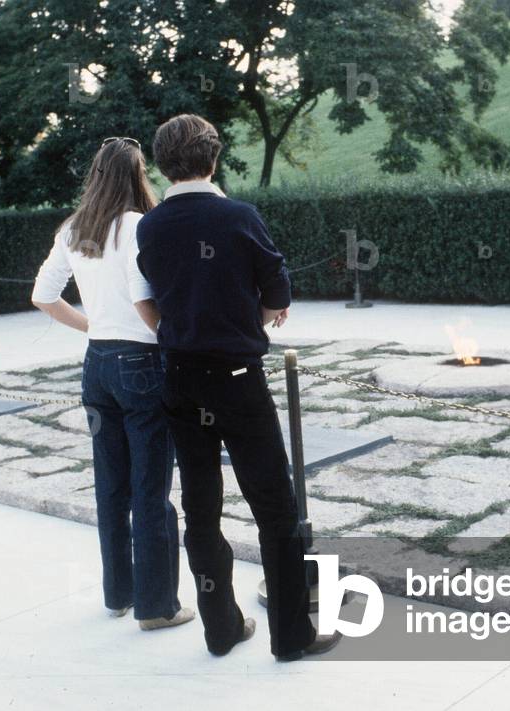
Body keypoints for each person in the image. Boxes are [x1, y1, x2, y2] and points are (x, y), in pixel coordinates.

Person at [135, 114, 341, 660]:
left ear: (162, 164)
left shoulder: (149, 227)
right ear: (214, 157)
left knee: (201, 506)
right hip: (236, 378)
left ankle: (220, 627)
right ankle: (292, 637)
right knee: (275, 506)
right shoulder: (237, 216)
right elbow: (277, 291)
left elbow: (154, 298)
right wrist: (258, 315)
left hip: (179, 376)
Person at [31, 136, 193, 631]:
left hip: (96, 364)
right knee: (151, 488)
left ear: (96, 174)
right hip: (141, 363)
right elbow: (148, 302)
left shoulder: (74, 228)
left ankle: (118, 595)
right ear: (137, 174)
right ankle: (158, 606)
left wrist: (92, 327)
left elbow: (43, 295)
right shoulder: (139, 226)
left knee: (111, 486)